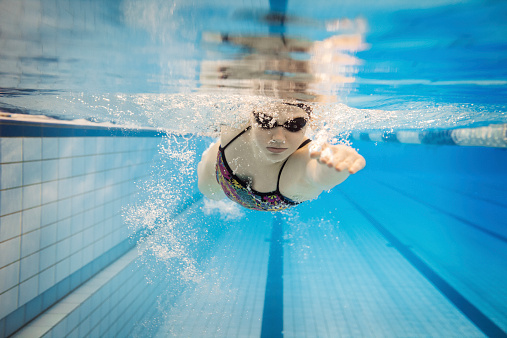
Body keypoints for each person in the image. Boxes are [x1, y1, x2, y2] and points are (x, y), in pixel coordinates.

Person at [197, 102, 365, 212]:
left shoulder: (302, 160)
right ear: (251, 118)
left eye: (295, 125)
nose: (278, 137)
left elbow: (315, 174)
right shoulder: (235, 126)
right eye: (266, 121)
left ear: (308, 124)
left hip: (271, 197)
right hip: (219, 170)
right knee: (210, 192)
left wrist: (334, 167)